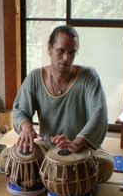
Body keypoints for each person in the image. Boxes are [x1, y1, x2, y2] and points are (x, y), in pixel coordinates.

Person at [13, 25, 108, 153]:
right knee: (9, 158)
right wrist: (26, 126)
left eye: (72, 52)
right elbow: (19, 110)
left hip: (80, 147)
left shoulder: (88, 77)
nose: (66, 58)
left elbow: (99, 115)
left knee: (106, 165)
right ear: (49, 49)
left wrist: (77, 143)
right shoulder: (35, 78)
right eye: (61, 51)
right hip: (47, 147)